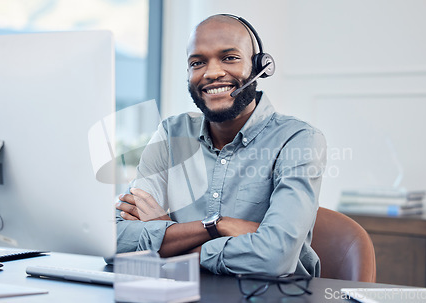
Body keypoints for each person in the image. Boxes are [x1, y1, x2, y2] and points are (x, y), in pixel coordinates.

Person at [115, 14, 326, 277]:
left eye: (229, 58)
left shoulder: (298, 139)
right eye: (198, 62)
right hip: (184, 292)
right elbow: (116, 239)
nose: (213, 73)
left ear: (260, 66)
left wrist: (172, 239)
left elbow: (275, 257)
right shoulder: (172, 133)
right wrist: (217, 226)